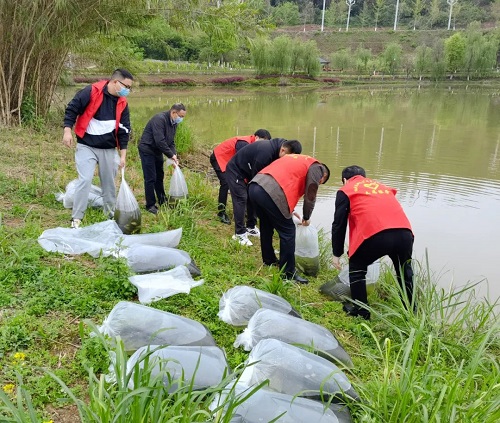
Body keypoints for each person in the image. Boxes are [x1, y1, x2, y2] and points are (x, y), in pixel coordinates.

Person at [331, 165, 414, 320]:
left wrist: (337, 253)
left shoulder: (346, 190)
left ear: (344, 180)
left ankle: (362, 312)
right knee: (405, 273)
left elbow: (339, 224)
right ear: (364, 176)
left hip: (376, 234)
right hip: (405, 233)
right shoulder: (381, 186)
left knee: (357, 269)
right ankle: (411, 313)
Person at [62, 68, 134, 229]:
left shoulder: (122, 102)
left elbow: (124, 130)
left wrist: (123, 155)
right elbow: (72, 109)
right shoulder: (91, 91)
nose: (127, 90)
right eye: (126, 86)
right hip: (86, 145)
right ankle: (77, 217)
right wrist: (67, 130)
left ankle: (109, 214)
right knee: (85, 180)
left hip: (108, 149)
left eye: (130, 88)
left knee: (109, 184)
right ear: (115, 82)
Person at [248, 154, 330, 284]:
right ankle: (288, 273)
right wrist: (306, 217)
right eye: (321, 181)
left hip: (255, 186)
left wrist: (291, 210)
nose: (319, 182)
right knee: (288, 232)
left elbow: (283, 179)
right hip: (269, 191)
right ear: (324, 175)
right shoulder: (318, 168)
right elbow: (310, 194)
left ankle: (268, 260)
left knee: (266, 224)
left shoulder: (298, 159)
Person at [225, 138, 302, 246]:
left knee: (252, 199)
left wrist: (291, 209)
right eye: (287, 158)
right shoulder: (265, 154)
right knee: (242, 199)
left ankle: (251, 227)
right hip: (236, 170)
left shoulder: (280, 150)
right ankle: (239, 234)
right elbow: (259, 182)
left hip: (248, 171)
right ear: (283, 150)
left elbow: (279, 181)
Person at [210, 129, 272, 224]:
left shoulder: (254, 146)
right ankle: (221, 212)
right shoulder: (244, 143)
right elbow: (242, 162)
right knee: (225, 183)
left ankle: (247, 212)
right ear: (256, 137)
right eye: (263, 142)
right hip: (220, 158)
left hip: (230, 161)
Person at [138, 103, 187, 215]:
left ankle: (162, 199)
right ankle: (150, 204)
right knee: (150, 177)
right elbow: (160, 141)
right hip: (147, 149)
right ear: (173, 112)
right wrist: (170, 155)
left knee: (160, 176)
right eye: (181, 116)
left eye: (183, 117)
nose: (181, 119)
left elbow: (171, 142)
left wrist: (174, 156)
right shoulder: (159, 120)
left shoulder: (174, 122)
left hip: (157, 151)